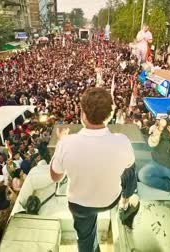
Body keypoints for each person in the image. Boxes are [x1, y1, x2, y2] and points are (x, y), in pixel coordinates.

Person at [50, 87, 137, 252]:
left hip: (79, 205)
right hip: (110, 201)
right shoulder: (122, 141)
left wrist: (60, 144)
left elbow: (56, 177)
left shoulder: (67, 144)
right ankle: (128, 199)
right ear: (110, 115)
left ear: (82, 114)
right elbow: (129, 168)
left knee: (85, 238)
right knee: (130, 166)